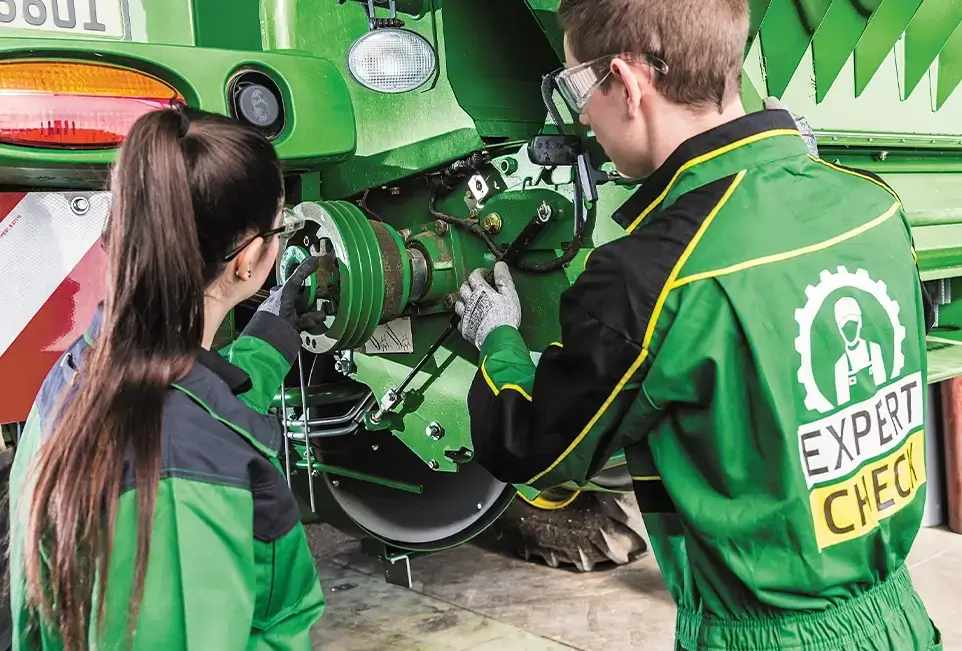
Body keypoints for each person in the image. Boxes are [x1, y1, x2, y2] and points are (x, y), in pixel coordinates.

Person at [454, 0, 939, 649]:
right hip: (901, 620)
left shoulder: (646, 276)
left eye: (575, 88)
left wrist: (498, 338)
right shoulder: (873, 203)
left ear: (627, 83)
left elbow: (532, 449)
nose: (583, 117)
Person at [7, 106, 325, 650]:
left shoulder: (76, 376)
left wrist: (270, 340)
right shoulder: (181, 481)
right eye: (278, 228)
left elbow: (187, 400)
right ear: (249, 259)